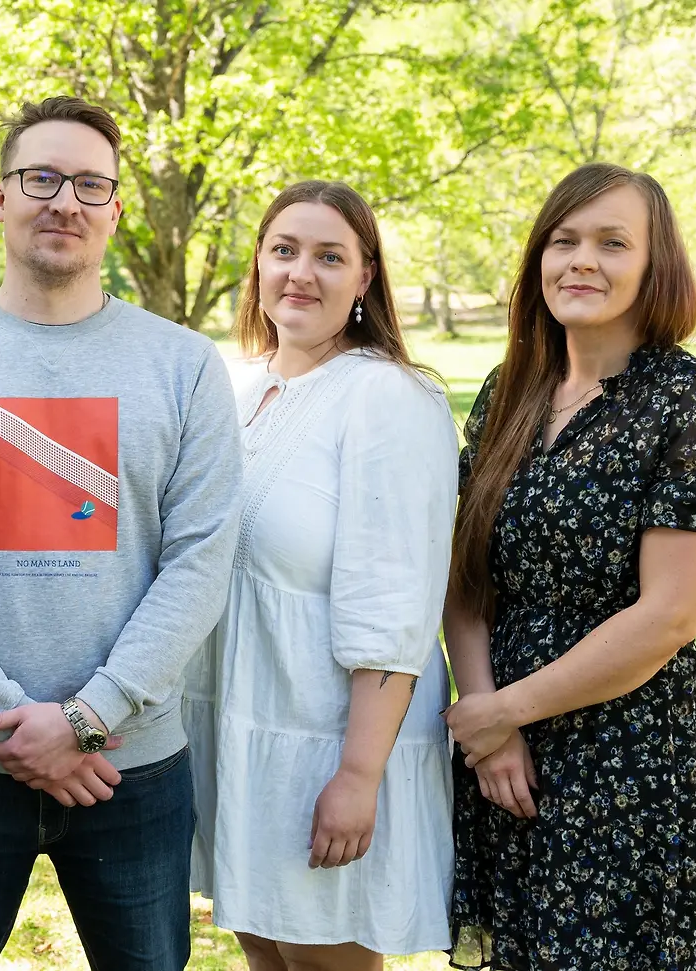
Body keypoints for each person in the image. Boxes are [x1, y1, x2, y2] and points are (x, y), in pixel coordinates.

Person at [0, 95, 243, 970]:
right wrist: (18, 728)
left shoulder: (185, 366)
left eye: (90, 185)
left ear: (115, 210)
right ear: (0, 197)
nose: (65, 201)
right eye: (42, 178)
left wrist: (87, 718)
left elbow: (200, 563)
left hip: (130, 766)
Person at [442, 162, 696, 969]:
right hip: (504, 759)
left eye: (613, 243)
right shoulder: (509, 392)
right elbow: (466, 578)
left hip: (625, 753)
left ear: (655, 265)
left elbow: (670, 615)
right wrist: (488, 724)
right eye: (564, 240)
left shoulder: (695, 402)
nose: (582, 260)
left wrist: (507, 710)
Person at [180, 182, 456, 971]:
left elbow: (397, 602)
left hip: (328, 742)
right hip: (235, 727)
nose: (301, 272)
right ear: (258, 264)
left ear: (365, 277)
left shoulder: (389, 396)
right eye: (284, 250)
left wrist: (358, 775)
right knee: (263, 947)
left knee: (321, 958)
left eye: (330, 256)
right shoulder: (231, 385)